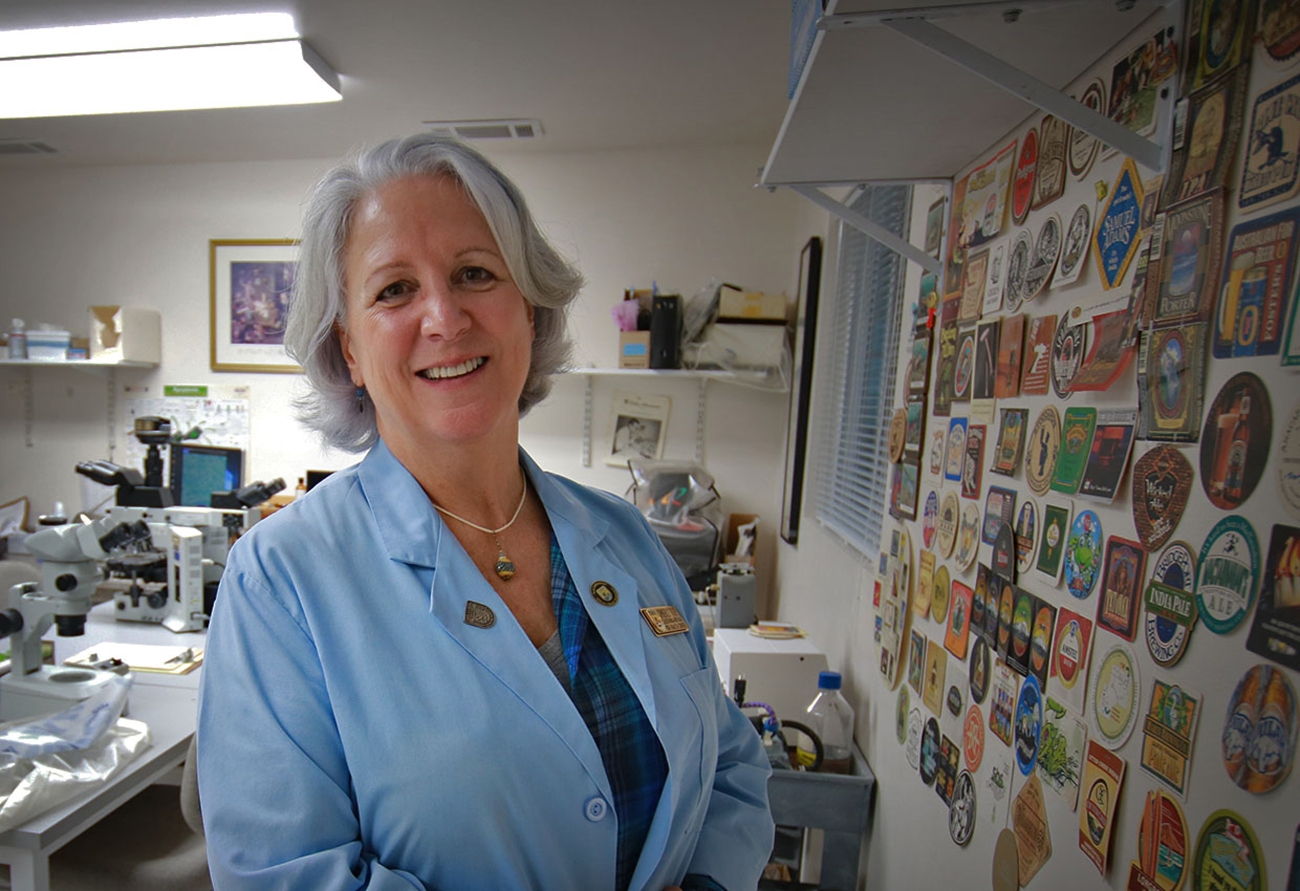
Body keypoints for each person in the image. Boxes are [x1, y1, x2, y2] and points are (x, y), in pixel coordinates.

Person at [195, 134, 774, 891]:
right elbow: (284, 875)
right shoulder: (280, 580)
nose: (444, 317)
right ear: (351, 349)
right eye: (394, 290)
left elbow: (729, 766)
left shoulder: (625, 534)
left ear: (528, 310)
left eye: (474, 273)